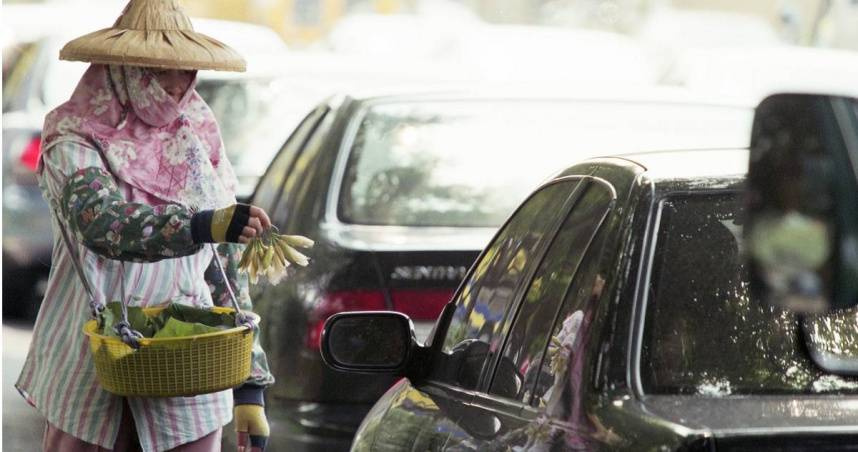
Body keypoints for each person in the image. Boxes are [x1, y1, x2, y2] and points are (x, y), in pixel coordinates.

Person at [15, 1, 276, 450]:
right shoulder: (73, 135)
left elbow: (224, 267)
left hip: (189, 363)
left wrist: (251, 387)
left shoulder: (196, 134)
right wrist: (202, 224)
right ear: (122, 69)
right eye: (156, 72)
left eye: (184, 72)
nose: (175, 86)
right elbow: (104, 224)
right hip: (90, 365)